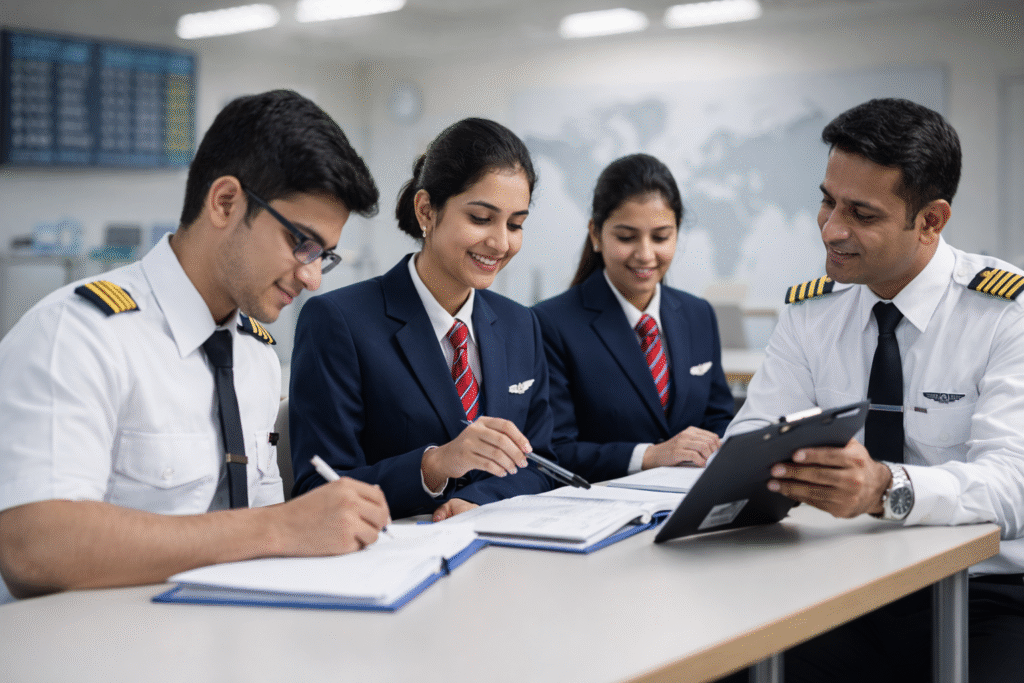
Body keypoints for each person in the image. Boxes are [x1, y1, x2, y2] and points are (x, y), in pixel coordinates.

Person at [0, 90, 391, 603]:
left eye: (325, 256)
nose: (313, 277)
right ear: (225, 202)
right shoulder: (77, 335)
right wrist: (278, 528)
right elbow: (34, 546)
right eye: (302, 243)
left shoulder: (254, 354)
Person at [727, 98, 1024, 682]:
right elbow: (750, 439)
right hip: (841, 579)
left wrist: (885, 490)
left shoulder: (1003, 312)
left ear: (931, 221)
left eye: (861, 213)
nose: (831, 228)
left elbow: (1012, 486)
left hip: (986, 590)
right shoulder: (811, 312)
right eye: (827, 200)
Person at [288, 117, 556, 521]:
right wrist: (433, 466)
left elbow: (541, 464)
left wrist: (479, 501)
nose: (501, 242)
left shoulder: (521, 325)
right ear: (426, 210)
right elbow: (318, 488)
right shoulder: (339, 321)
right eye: (481, 219)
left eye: (515, 224)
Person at [532, 154, 733, 483]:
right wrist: (652, 456)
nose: (645, 254)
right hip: (601, 511)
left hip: (690, 504)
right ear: (596, 234)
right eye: (626, 237)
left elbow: (720, 421)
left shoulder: (699, 315)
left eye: (660, 237)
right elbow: (555, 452)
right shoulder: (550, 323)